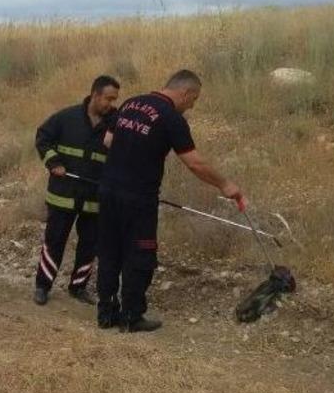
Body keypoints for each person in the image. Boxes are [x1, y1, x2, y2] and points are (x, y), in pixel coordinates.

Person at [96, 69, 248, 332]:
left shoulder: (131, 102)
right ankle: (131, 316)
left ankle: (106, 313)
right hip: (138, 198)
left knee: (110, 251)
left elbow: (108, 141)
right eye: (194, 99)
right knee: (139, 254)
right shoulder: (171, 117)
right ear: (185, 92)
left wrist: (131, 155)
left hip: (108, 190)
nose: (192, 106)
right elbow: (194, 163)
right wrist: (225, 184)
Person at [33, 75, 120, 306]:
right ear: (95, 95)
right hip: (63, 194)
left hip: (95, 198)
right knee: (55, 240)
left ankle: (78, 287)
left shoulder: (115, 123)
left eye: (115, 100)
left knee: (90, 244)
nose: (111, 104)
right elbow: (43, 138)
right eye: (108, 99)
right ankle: (42, 285)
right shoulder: (66, 117)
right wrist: (53, 163)